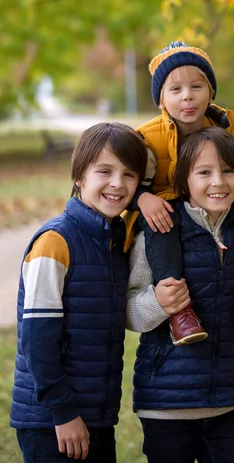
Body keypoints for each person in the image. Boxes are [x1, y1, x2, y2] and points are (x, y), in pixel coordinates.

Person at [126, 127, 234, 463]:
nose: (219, 182)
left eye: (228, 170)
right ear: (184, 180)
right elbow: (127, 310)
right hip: (166, 402)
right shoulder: (159, 231)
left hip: (228, 399)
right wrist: (159, 303)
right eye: (204, 172)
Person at [130, 40, 234, 346]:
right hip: (160, 211)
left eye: (196, 86)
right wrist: (142, 198)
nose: (187, 96)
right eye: (175, 89)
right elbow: (129, 182)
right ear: (161, 99)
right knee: (162, 219)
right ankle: (179, 309)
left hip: (212, 209)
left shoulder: (224, 128)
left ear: (211, 91)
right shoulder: (148, 140)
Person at [10, 122, 147, 463]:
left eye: (129, 174)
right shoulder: (55, 242)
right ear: (79, 177)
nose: (118, 183)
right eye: (104, 171)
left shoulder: (112, 240)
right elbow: (37, 339)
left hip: (97, 414)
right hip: (52, 421)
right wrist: (63, 413)